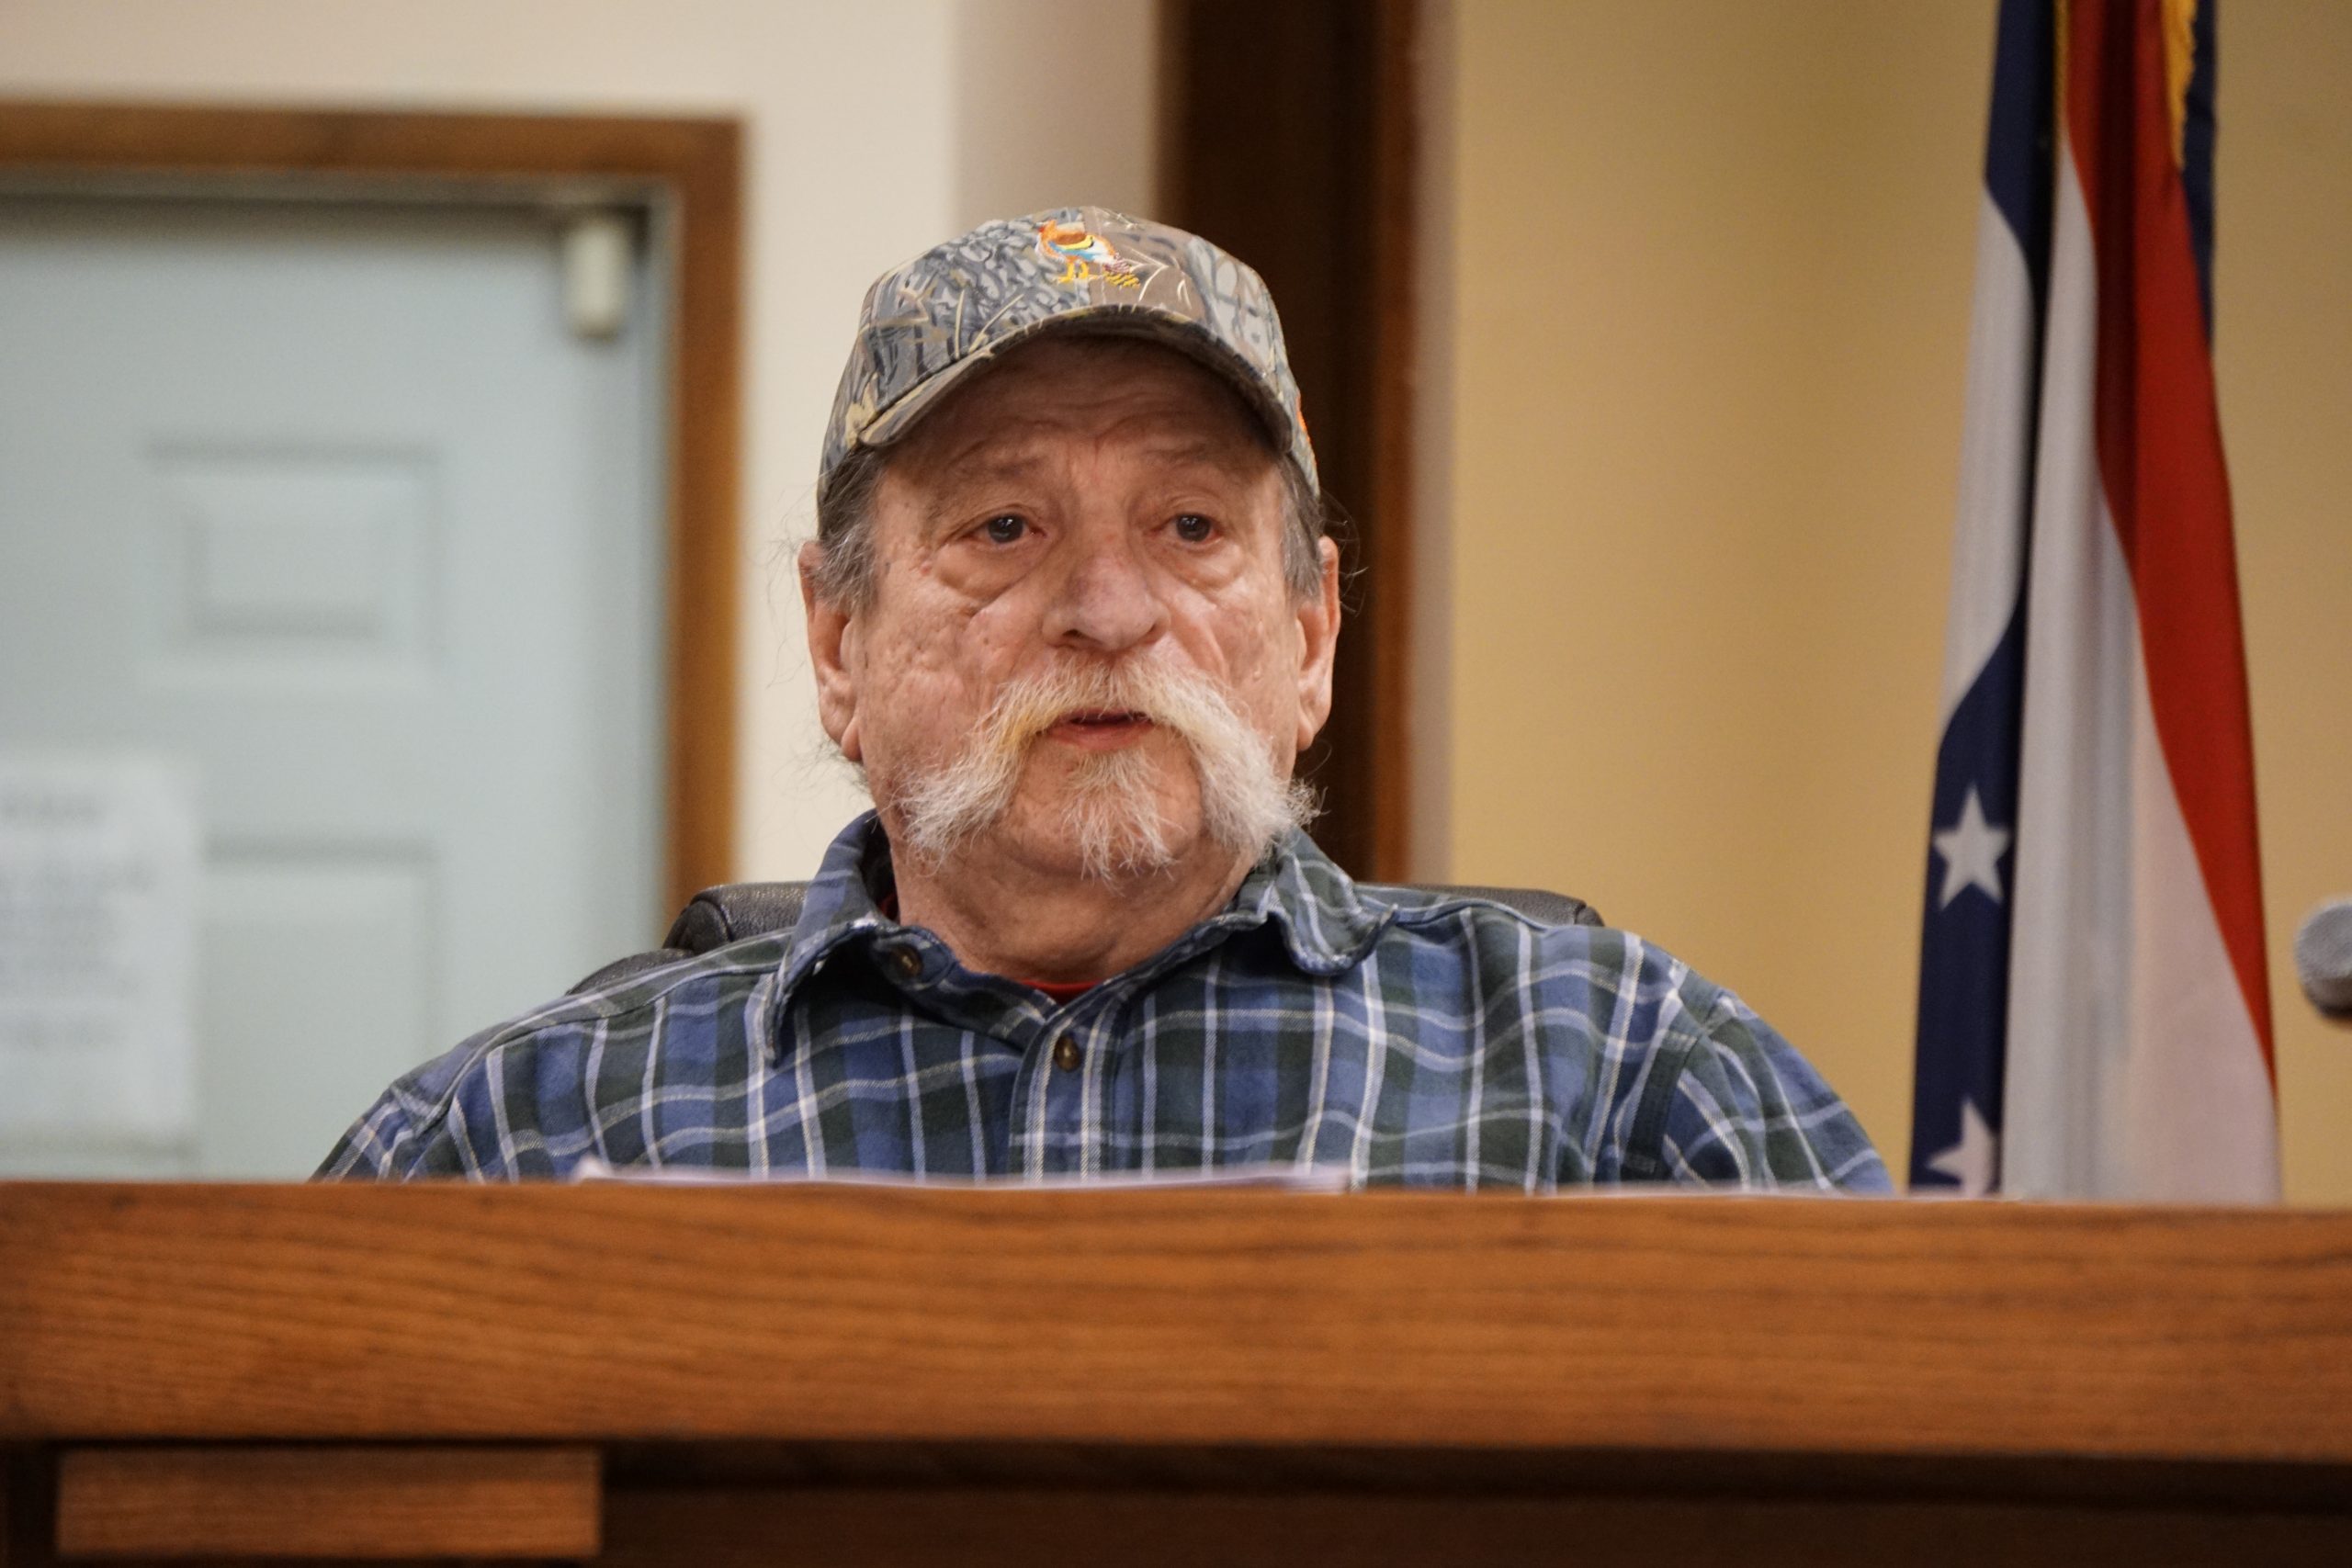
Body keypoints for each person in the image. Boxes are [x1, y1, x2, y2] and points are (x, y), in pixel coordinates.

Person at [321, 208, 1888, 1190]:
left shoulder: (1615, 1079)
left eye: (1190, 529)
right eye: (1005, 528)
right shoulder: (529, 1137)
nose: (1108, 609)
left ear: (1314, 631)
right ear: (836, 641)